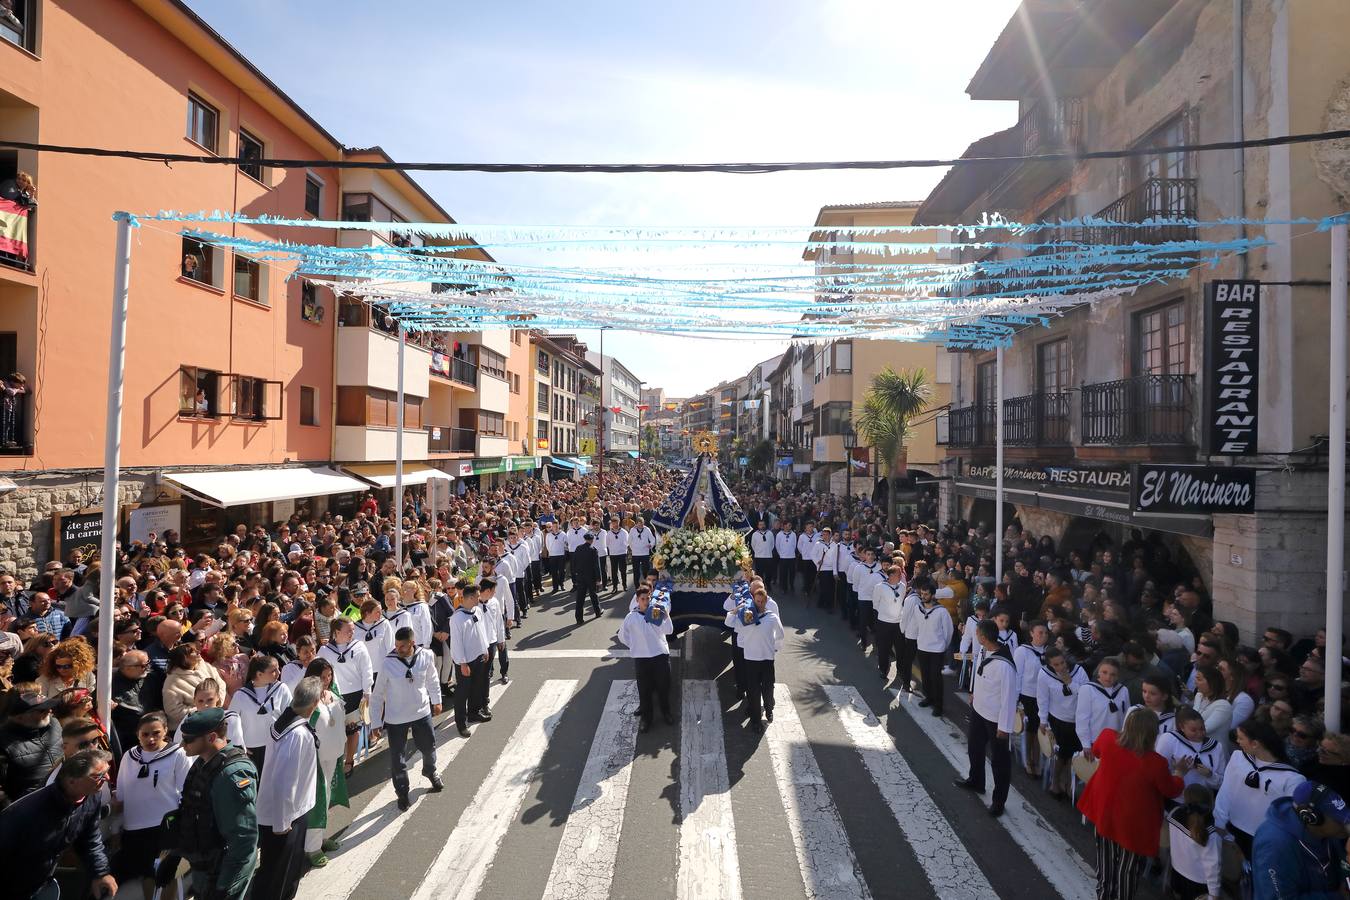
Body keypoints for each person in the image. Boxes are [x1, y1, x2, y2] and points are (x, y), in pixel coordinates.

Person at [1077, 709, 1186, 900]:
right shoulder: (1156, 762)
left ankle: (1103, 895)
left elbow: (1096, 751)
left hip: (1105, 813)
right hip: (1133, 824)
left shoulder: (1108, 737)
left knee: (1106, 863)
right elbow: (1171, 789)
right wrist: (1179, 773)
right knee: (1127, 870)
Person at [0, 748, 117, 900]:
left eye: (106, 772)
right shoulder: (27, 812)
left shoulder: (92, 799)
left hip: (41, 884)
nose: (107, 778)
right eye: (98, 776)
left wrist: (100, 873)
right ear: (71, 780)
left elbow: (89, 839)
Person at [174, 707, 259, 900]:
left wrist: (225, 886)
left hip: (223, 871)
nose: (182, 745)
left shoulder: (231, 775)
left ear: (211, 738)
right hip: (205, 868)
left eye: (188, 740)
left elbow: (244, 839)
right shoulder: (202, 764)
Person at [254, 676, 321, 900]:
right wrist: (282, 823)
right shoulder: (297, 735)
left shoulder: (284, 721)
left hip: (285, 812)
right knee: (280, 873)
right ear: (314, 703)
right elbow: (285, 781)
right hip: (286, 817)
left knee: (281, 869)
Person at [113, 711, 191, 896]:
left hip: (166, 828)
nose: (151, 738)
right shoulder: (129, 757)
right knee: (146, 876)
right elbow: (121, 796)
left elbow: (186, 792)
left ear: (165, 730)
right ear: (138, 735)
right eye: (145, 734)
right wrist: (117, 829)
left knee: (168, 876)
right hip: (135, 829)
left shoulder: (178, 754)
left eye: (156, 733)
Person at [370, 626, 444, 811]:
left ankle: (430, 770)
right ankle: (402, 792)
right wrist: (376, 722)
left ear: (412, 643)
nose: (398, 649)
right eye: (396, 646)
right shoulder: (388, 663)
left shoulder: (426, 655)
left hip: (421, 712)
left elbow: (432, 679)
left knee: (429, 747)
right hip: (396, 718)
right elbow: (377, 694)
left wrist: (437, 701)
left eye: (402, 646)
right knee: (398, 758)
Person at [1214, 718, 1304, 860]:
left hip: (1265, 839)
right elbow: (1226, 791)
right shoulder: (1238, 757)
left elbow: (1291, 818)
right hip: (1232, 830)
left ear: (1255, 744)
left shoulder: (1292, 779)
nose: (1237, 741)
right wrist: (1219, 822)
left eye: (1241, 738)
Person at [955, 619, 1019, 816]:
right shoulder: (984, 650)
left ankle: (999, 801)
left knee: (1000, 762)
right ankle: (976, 781)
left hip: (996, 719)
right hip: (979, 710)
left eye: (977, 634)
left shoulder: (1005, 666)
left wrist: (1005, 727)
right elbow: (977, 669)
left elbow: (1009, 698)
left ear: (983, 637)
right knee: (974, 747)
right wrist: (974, 690)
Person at [1251, 780, 1350, 899]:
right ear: (1311, 818)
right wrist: (1338, 897)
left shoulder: (1331, 832)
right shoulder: (1275, 846)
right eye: (1339, 820)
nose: (1345, 824)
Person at [318, 616, 373, 776]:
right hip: (334, 696)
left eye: (353, 630)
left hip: (355, 695)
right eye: (348, 630)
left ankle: (349, 760)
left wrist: (367, 691)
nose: (352, 633)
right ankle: (335, 761)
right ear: (336, 632)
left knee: (352, 729)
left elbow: (366, 669)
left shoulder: (359, 646)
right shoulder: (324, 651)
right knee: (335, 731)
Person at [725, 585, 784, 733]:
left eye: (761, 601)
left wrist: (773, 646)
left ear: (765, 602)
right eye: (756, 601)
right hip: (751, 659)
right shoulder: (746, 617)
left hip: (767, 659)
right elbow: (728, 621)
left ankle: (769, 708)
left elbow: (780, 635)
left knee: (768, 687)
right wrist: (737, 609)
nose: (758, 604)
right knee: (753, 690)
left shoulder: (772, 617)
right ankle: (756, 721)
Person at [618, 586, 674, 733]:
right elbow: (622, 636)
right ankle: (646, 719)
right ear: (637, 601)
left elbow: (669, 631)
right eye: (642, 599)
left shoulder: (656, 613)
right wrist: (635, 646)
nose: (645, 601)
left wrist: (666, 615)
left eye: (648, 598)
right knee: (644, 690)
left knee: (664, 686)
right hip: (642, 659)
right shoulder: (631, 617)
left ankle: (666, 712)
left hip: (660, 656)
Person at [0, 683, 63, 808]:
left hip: (62, 802)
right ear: (19, 716)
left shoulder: (55, 724)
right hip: (28, 814)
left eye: (49, 706)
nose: (49, 711)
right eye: (41, 709)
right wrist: (14, 812)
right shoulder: (3, 741)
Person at [229, 653, 292, 774]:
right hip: (252, 750)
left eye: (278, 669)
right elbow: (232, 723)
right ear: (259, 674)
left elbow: (289, 716)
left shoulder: (281, 689)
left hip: (276, 745)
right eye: (273, 671)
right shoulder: (241, 695)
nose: (278, 673)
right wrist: (240, 747)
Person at [1165, 783, 1222, 900]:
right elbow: (1213, 867)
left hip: (1177, 873)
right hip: (1198, 884)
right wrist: (1214, 895)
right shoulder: (1211, 832)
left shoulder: (1174, 814)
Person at [449, 584, 491, 737]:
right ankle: (460, 723)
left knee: (476, 687)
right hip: (465, 661)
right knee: (462, 692)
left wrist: (485, 649)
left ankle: (473, 713)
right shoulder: (457, 618)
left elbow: (482, 631)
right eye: (477, 596)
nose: (479, 598)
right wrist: (462, 663)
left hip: (478, 656)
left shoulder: (477, 610)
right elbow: (457, 643)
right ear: (471, 597)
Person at [912, 578, 954, 717]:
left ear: (933, 595)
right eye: (922, 594)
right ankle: (928, 697)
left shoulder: (942, 612)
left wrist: (943, 645)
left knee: (936, 678)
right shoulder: (918, 608)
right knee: (925, 675)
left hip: (936, 650)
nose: (923, 597)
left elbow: (948, 632)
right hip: (922, 647)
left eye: (926, 594)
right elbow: (917, 626)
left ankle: (938, 705)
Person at [1014, 619, 1050, 777]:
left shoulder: (1049, 651)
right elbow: (1018, 675)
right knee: (1031, 729)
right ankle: (1028, 760)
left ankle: (1038, 760)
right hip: (1028, 694)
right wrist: (1016, 698)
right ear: (1031, 633)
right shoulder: (1023, 651)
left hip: (1045, 697)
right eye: (1040, 632)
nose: (1043, 636)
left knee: (1041, 730)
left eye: (1046, 633)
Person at [872, 564, 906, 684]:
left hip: (898, 623)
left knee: (900, 649)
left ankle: (901, 670)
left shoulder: (902, 586)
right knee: (883, 648)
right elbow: (875, 604)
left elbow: (902, 602)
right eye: (898, 574)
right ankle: (883, 669)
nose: (901, 575)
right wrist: (885, 613)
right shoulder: (880, 587)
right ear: (891, 575)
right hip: (884, 623)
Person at [570, 532, 602, 624]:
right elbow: (596, 566)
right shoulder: (593, 550)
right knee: (593, 595)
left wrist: (575, 574)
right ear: (592, 540)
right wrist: (598, 579)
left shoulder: (578, 548)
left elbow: (574, 562)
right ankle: (598, 612)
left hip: (580, 576)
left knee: (580, 598)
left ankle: (579, 618)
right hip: (591, 576)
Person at [629, 517, 656, 585]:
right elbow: (629, 541)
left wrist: (650, 545)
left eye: (642, 524)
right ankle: (637, 587)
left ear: (643, 523)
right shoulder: (632, 530)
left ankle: (648, 585)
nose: (640, 526)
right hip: (635, 554)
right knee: (636, 571)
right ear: (636, 524)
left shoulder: (647, 529)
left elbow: (652, 539)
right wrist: (633, 548)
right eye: (639, 524)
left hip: (645, 553)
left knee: (646, 571)